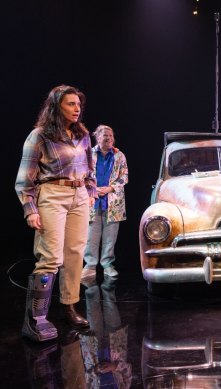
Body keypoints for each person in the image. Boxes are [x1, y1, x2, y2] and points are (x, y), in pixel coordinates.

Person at [15, 85, 96, 342]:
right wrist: (30, 209)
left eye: (78, 104)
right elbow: (24, 179)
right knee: (51, 255)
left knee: (75, 253)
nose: (77, 109)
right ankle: (36, 318)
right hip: (52, 194)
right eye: (71, 104)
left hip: (79, 196)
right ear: (56, 107)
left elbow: (90, 170)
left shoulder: (83, 135)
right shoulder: (39, 136)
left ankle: (69, 306)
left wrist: (90, 192)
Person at [81, 125, 129, 280]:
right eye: (105, 135)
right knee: (91, 237)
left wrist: (109, 188)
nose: (108, 138)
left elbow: (124, 177)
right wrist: (94, 189)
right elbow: (83, 174)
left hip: (113, 202)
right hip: (92, 200)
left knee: (110, 237)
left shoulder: (119, 156)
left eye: (111, 135)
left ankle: (108, 265)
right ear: (98, 137)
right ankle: (89, 266)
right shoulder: (89, 154)